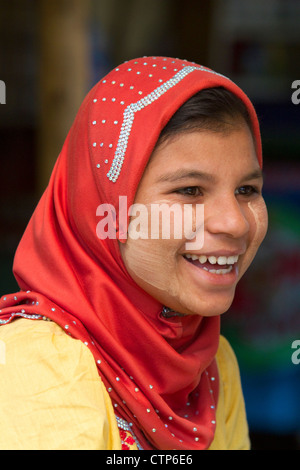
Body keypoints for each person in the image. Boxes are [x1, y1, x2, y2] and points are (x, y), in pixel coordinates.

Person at [0, 56, 268, 450]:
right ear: (106, 210)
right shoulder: (36, 366)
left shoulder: (211, 365)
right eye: (190, 191)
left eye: (246, 190)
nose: (235, 223)